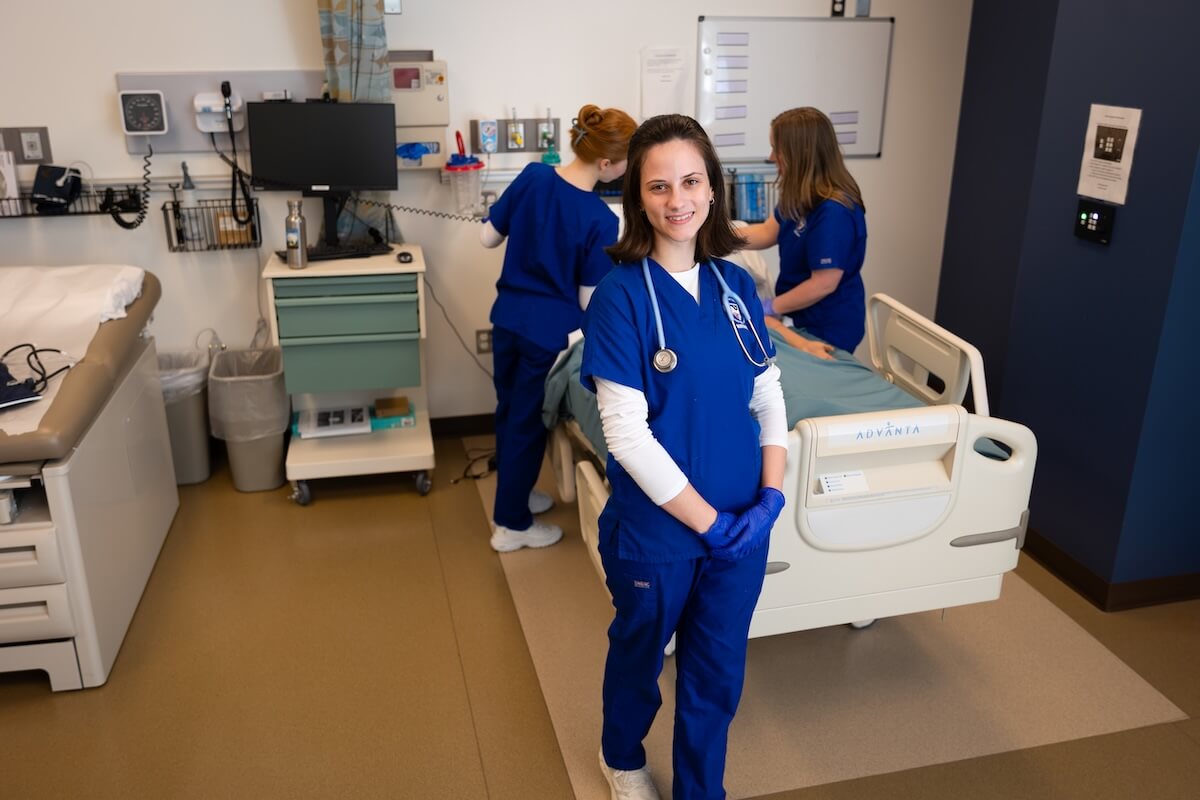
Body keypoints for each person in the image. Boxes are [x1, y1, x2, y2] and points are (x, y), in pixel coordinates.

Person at [581, 114, 788, 800]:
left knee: (716, 671)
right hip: (660, 534)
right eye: (660, 185)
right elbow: (627, 435)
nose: (679, 200)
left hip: (741, 527)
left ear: (712, 186)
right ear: (638, 197)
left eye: (691, 181)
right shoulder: (620, 297)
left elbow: (768, 394)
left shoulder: (736, 286)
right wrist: (712, 524)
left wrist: (772, 497)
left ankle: (701, 790)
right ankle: (622, 756)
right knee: (641, 655)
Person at [481, 104, 637, 553]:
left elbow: (486, 237)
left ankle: (517, 491)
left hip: (506, 319)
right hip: (547, 335)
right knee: (529, 423)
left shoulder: (533, 176)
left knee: (509, 411)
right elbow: (590, 302)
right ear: (607, 164)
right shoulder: (600, 219)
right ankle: (511, 525)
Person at [740, 107, 868, 353]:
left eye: (777, 149)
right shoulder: (802, 195)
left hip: (827, 325)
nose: (771, 157)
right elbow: (768, 232)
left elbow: (824, 284)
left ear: (800, 153)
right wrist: (716, 236)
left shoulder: (834, 211)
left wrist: (770, 307)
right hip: (800, 317)